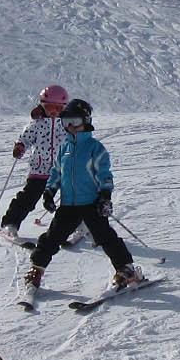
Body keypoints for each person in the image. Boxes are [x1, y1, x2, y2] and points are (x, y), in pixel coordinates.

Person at [24, 101, 147, 294]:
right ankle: (37, 269)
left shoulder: (94, 148)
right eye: (66, 122)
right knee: (51, 238)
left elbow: (104, 174)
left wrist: (105, 196)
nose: (70, 127)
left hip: (91, 203)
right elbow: (56, 172)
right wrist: (49, 191)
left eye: (74, 121)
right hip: (68, 205)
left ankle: (127, 269)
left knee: (105, 237)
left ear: (86, 121)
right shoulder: (64, 148)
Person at [0, 84, 68, 240]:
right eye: (49, 107)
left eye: (57, 109)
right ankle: (10, 224)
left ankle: (81, 225)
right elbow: (25, 138)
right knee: (28, 198)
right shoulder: (36, 124)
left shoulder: (66, 125)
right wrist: (20, 146)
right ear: (42, 105)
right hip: (39, 170)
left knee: (73, 199)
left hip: (61, 170)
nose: (53, 112)